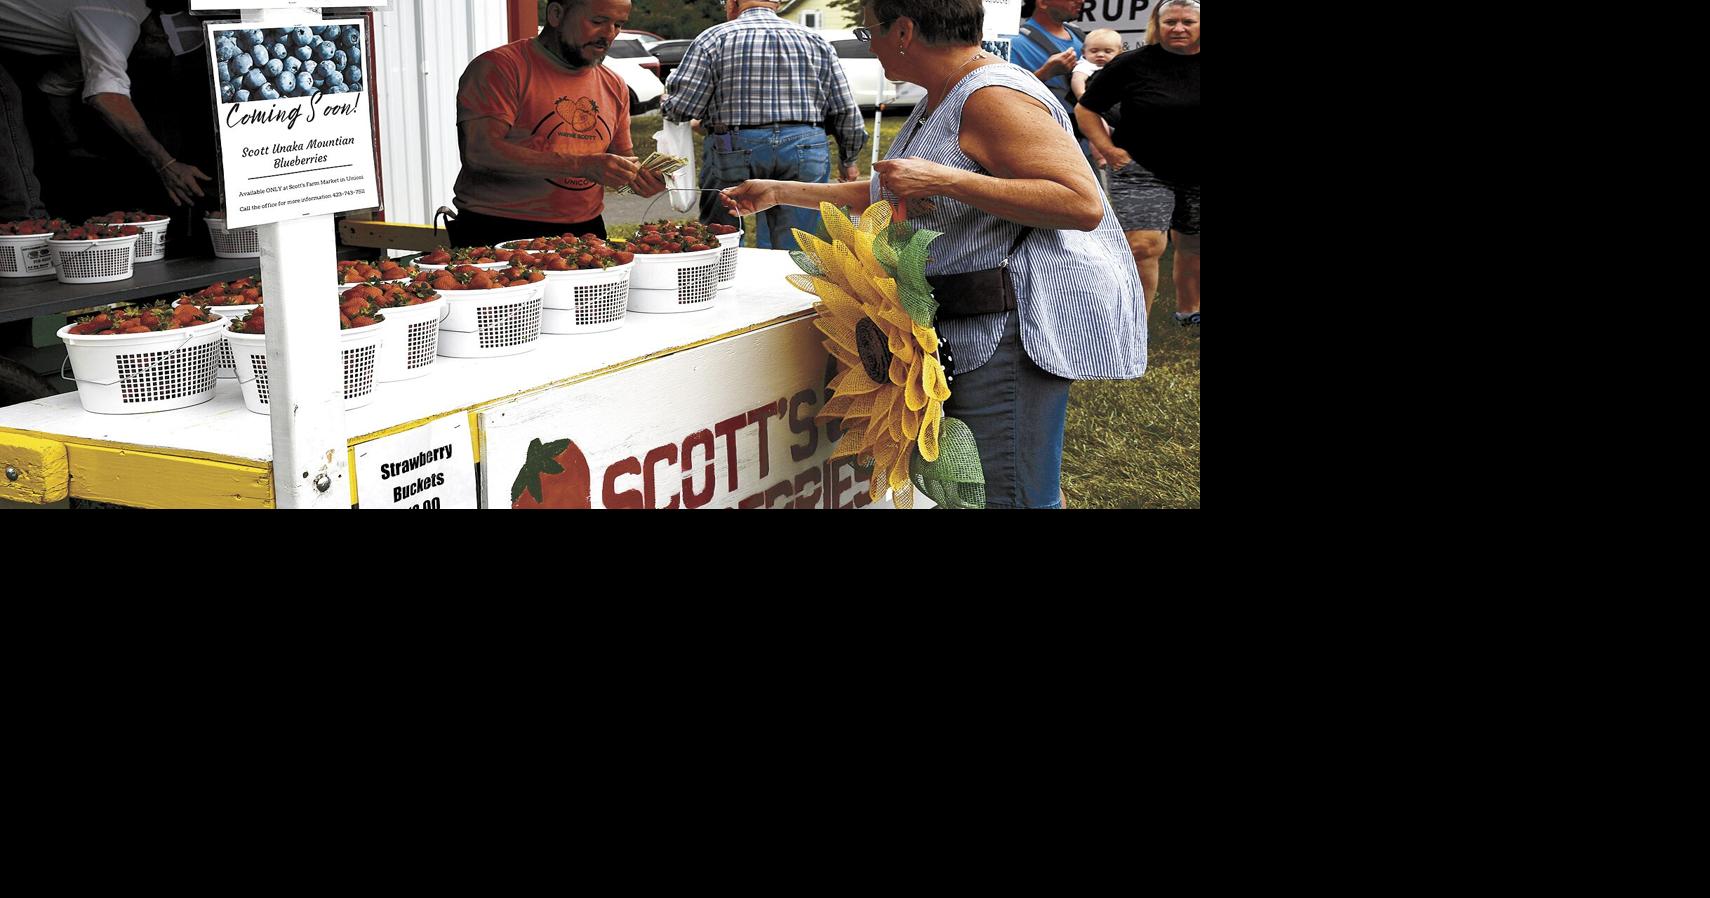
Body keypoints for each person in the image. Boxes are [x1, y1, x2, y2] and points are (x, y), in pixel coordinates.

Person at [722, 0, 1146, 509]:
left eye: (868, 30)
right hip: (974, 323)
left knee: (1011, 494)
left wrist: (947, 179)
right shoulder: (943, 93)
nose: (869, 43)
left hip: (1009, 331)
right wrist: (781, 192)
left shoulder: (992, 97)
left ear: (903, 30)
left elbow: (1079, 202)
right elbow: (899, 190)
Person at [449, 0, 664, 248]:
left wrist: (640, 178)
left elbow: (622, 159)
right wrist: (581, 165)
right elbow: (479, 152)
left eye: (618, 24)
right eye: (597, 21)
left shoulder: (614, 84)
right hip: (498, 226)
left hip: (587, 229)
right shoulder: (500, 67)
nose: (609, 34)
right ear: (556, 14)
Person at [660, 0, 867, 253]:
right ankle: (787, 287)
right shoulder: (815, 41)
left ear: (733, 3)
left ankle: (726, 278)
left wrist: (669, 104)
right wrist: (849, 160)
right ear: (777, 3)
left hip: (733, 145)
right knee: (797, 242)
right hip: (805, 145)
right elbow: (845, 109)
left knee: (722, 237)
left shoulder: (714, 38)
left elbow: (682, 108)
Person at [0, 0, 210, 217]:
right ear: (157, 38)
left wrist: (73, 145)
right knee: (7, 99)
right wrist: (167, 164)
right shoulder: (118, 24)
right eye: (163, 56)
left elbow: (56, 86)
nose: (155, 62)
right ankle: (24, 223)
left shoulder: (103, 30)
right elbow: (107, 97)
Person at [1076, 0, 1199, 326]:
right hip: (1141, 167)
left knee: (1193, 244)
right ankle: (1134, 326)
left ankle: (1190, 312)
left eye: (1188, 21)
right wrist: (1107, 149)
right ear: (1157, 25)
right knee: (1144, 247)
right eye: (1170, 21)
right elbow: (1086, 108)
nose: (1178, 28)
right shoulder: (1132, 63)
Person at [1005, 0, 1085, 123]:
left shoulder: (1079, 34)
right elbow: (1004, 98)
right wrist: (1044, 74)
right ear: (1042, 3)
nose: (1081, 1)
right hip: (1048, 132)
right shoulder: (1015, 44)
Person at [1069, 28, 1123, 170]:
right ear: (1084, 52)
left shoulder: (1120, 66)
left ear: (1119, 52)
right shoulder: (1086, 66)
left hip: (1115, 106)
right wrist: (1083, 97)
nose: (1100, 55)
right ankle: (1101, 157)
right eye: (1094, 51)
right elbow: (1077, 80)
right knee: (1099, 127)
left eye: (1107, 51)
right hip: (1093, 108)